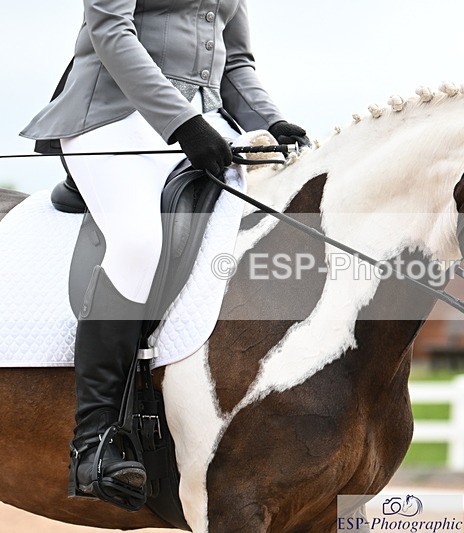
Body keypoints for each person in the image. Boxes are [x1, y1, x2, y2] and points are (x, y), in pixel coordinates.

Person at [19, 0, 308, 504]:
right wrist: (181, 122)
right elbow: (109, 29)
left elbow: (235, 61)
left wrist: (271, 120)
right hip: (110, 115)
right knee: (138, 242)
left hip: (202, 122)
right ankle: (94, 443)